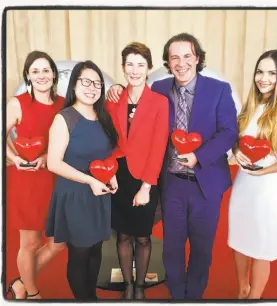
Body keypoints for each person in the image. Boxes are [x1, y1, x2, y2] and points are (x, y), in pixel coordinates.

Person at [107, 33, 238, 299]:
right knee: (172, 248)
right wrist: (117, 89)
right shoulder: (158, 89)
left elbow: (228, 132)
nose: (181, 63)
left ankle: (194, 295)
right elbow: (134, 100)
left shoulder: (219, 89)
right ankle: (178, 295)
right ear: (167, 61)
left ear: (197, 58)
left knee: (201, 247)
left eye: (187, 56)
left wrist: (199, 156)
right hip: (172, 183)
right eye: (174, 57)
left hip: (205, 182)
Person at [45, 60, 119, 301]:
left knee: (96, 248)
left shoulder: (102, 116)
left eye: (97, 83)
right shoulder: (65, 118)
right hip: (76, 195)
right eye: (86, 81)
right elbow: (53, 163)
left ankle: (92, 298)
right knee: (79, 253)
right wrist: (89, 181)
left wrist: (112, 175)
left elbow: (106, 153)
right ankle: (83, 300)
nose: (92, 87)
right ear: (74, 85)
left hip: (99, 194)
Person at [106, 42, 169, 300]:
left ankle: (140, 286)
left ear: (149, 68)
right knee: (122, 235)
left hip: (146, 175)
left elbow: (159, 146)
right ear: (123, 68)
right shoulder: (113, 100)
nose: (134, 70)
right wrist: (108, 171)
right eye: (129, 64)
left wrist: (146, 186)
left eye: (140, 65)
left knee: (143, 237)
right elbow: (108, 139)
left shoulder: (159, 102)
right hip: (119, 175)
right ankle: (128, 285)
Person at [228, 50, 277, 299]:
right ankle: (242, 290)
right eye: (260, 71)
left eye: (271, 73)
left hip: (270, 187)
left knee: (262, 247)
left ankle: (254, 298)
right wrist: (236, 149)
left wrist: (264, 171)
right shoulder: (252, 104)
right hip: (244, 182)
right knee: (239, 240)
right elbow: (238, 137)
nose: (263, 78)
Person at [6, 51, 65, 299]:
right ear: (28, 76)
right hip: (27, 180)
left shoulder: (64, 103)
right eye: (35, 71)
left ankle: (20, 283)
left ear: (54, 73)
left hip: (56, 178)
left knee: (60, 241)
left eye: (45, 70)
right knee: (29, 244)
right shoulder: (17, 103)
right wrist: (13, 158)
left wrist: (48, 157)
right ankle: (32, 293)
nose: (41, 75)